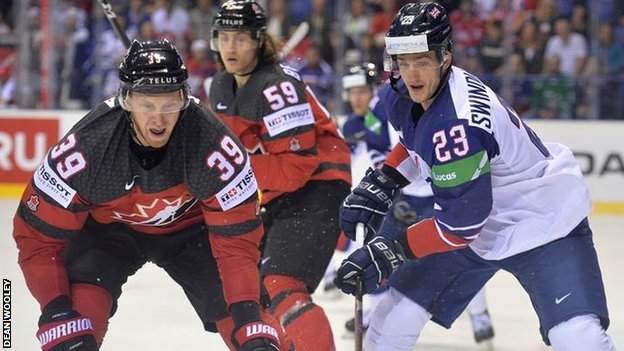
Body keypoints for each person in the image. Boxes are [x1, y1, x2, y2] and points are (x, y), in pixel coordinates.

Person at [334, 2, 615, 351]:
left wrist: (391, 250)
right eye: (403, 62)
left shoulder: (458, 124)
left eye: (421, 61)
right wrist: (386, 179)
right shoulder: (403, 94)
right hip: (475, 222)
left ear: (445, 56)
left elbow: (459, 227)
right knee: (392, 317)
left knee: (578, 338)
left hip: (541, 223)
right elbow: (414, 141)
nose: (411, 74)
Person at [13, 39, 290, 351]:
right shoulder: (86, 148)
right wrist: (55, 309)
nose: (158, 120)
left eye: (169, 105)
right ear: (126, 101)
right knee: (72, 330)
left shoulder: (213, 146)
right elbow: (36, 238)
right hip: (108, 234)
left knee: (256, 332)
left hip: (192, 232)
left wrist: (248, 316)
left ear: (185, 100)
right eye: (147, 105)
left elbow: (237, 246)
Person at [208, 1, 352, 350]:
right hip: (276, 196)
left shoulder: (277, 88)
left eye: (240, 38)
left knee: (281, 282)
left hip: (318, 188)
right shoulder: (221, 87)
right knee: (246, 294)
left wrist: (232, 172)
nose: (230, 47)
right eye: (223, 38)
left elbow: (294, 169)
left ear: (258, 40)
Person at [341, 62, 495, 343]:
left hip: (434, 194)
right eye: (352, 93)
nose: (357, 98)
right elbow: (383, 148)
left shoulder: (391, 105)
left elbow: (415, 147)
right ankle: (377, 313)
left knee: (456, 250)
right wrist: (387, 183)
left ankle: (480, 314)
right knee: (386, 251)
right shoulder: (378, 112)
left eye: (362, 90)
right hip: (409, 195)